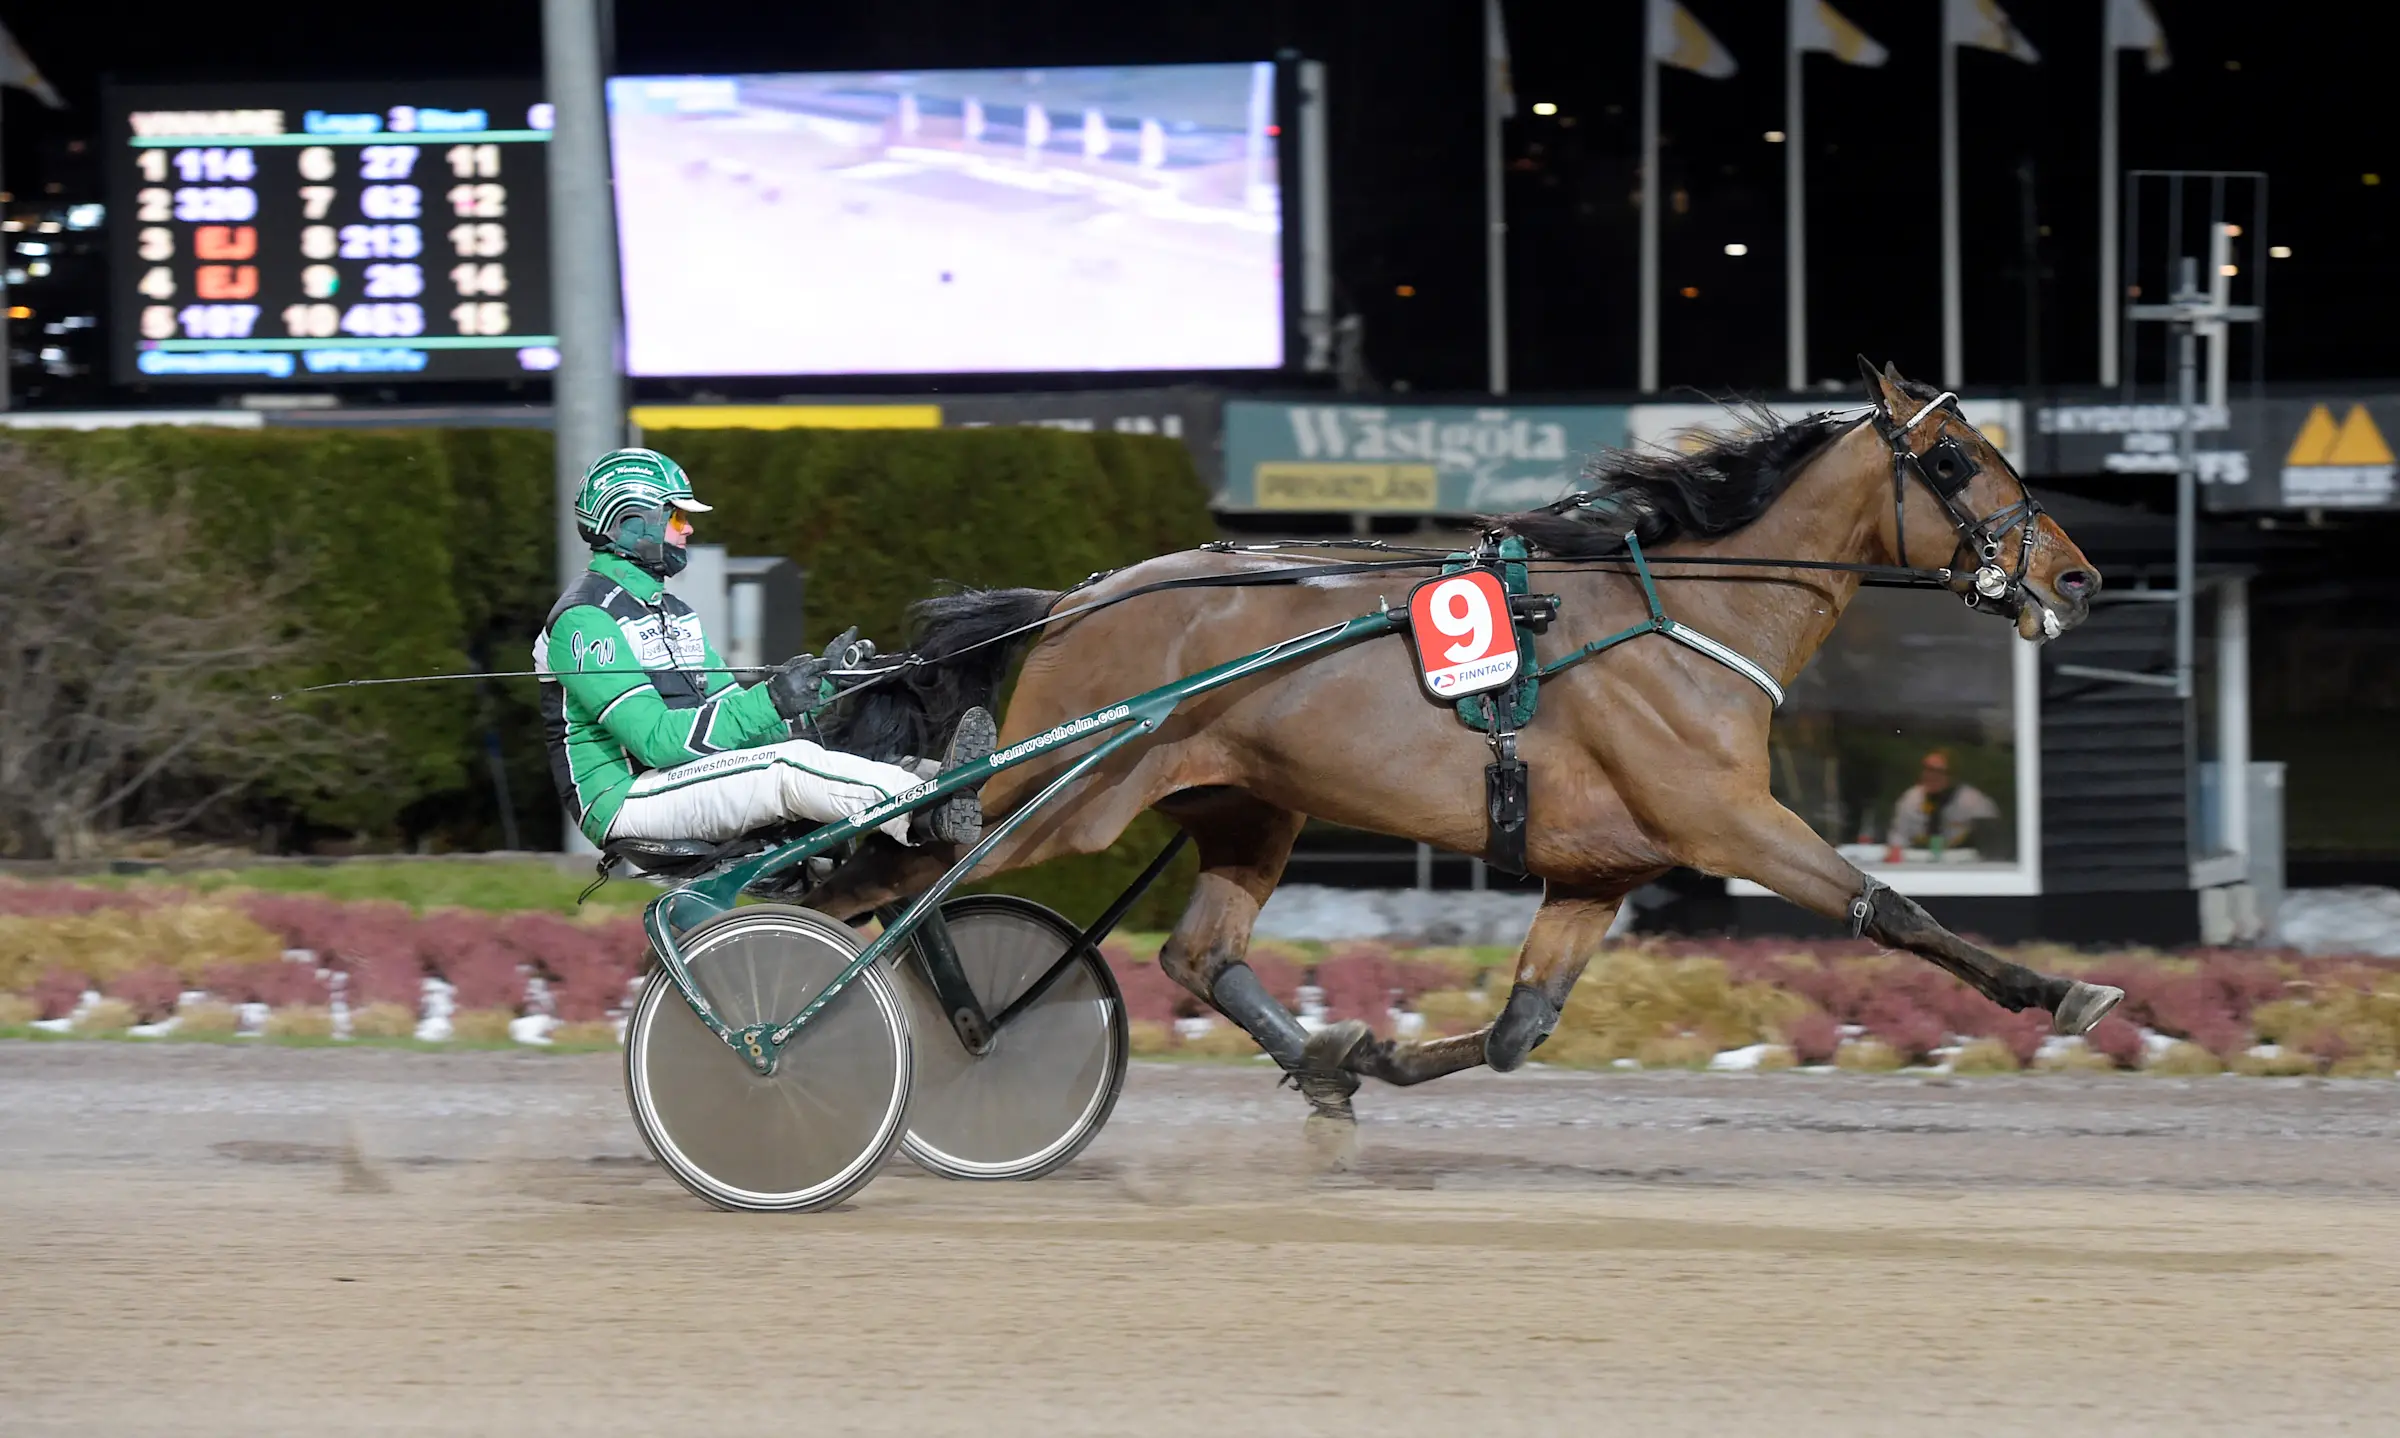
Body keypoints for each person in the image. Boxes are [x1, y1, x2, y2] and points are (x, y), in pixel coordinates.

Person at [534, 447, 994, 850]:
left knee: (830, 753)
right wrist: (772, 698)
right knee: (788, 767)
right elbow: (657, 742)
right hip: (622, 796)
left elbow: (732, 716)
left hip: (675, 777)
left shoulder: (672, 611)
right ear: (632, 522)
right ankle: (926, 806)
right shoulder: (585, 620)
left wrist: (819, 692)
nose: (688, 529)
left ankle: (951, 783)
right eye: (676, 516)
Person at [1885, 750, 2000, 852]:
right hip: (1918, 860)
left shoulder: (1975, 803)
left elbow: (1991, 844)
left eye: (1938, 771)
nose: (1930, 776)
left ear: (1953, 776)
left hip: (1962, 863)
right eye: (1927, 770)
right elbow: (1898, 836)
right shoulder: (1910, 799)